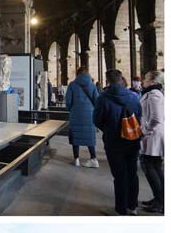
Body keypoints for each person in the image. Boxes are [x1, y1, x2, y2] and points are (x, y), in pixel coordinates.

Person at [94, 68, 144, 214]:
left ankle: (121, 208)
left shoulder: (103, 98)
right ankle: (132, 206)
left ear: (108, 80)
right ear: (121, 79)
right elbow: (139, 116)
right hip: (132, 139)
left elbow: (97, 120)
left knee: (120, 175)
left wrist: (108, 129)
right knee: (132, 173)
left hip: (113, 141)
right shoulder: (134, 96)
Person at [65, 66, 100, 168]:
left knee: (76, 135)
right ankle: (93, 158)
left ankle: (76, 159)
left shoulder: (72, 85)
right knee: (89, 136)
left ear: (77, 73)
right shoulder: (92, 85)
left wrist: (72, 109)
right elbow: (97, 101)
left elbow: (68, 102)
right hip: (89, 115)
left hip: (76, 114)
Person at [139, 70, 164, 214]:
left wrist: (144, 130)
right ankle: (159, 198)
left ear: (153, 81)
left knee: (149, 167)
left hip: (152, 135)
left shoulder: (154, 95)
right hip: (153, 135)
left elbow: (157, 118)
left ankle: (160, 201)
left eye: (147, 78)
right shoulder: (153, 94)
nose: (144, 80)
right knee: (155, 167)